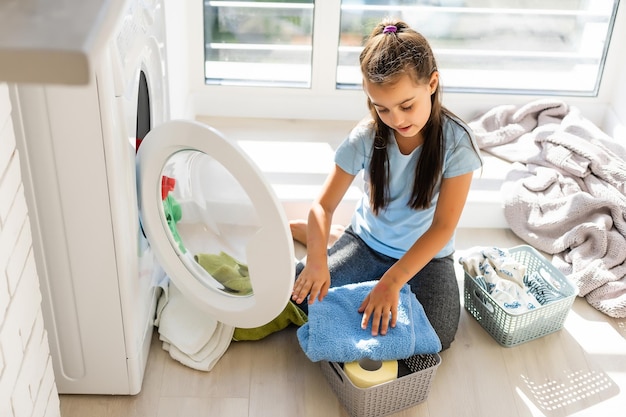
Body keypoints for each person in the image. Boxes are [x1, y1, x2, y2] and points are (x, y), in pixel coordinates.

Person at [290, 19, 482, 350]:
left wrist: (392, 281)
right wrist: (318, 261)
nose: (396, 119)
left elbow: (443, 227)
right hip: (367, 242)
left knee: (439, 331)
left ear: (432, 83)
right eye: (382, 109)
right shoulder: (365, 136)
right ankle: (329, 242)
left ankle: (334, 245)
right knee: (299, 299)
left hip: (427, 256)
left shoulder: (456, 143)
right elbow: (322, 205)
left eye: (407, 105)